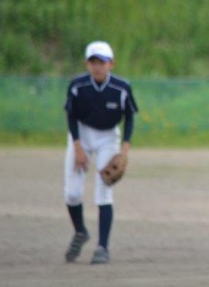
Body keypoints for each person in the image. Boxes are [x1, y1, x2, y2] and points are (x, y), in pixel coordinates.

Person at [63, 40, 138, 264]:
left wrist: (124, 150)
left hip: (108, 137)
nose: (97, 66)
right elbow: (71, 116)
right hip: (81, 135)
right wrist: (77, 146)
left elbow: (130, 117)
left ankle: (102, 247)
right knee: (72, 194)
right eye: (93, 62)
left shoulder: (121, 87)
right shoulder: (77, 86)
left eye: (102, 62)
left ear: (111, 64)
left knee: (104, 190)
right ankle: (80, 231)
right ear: (87, 64)